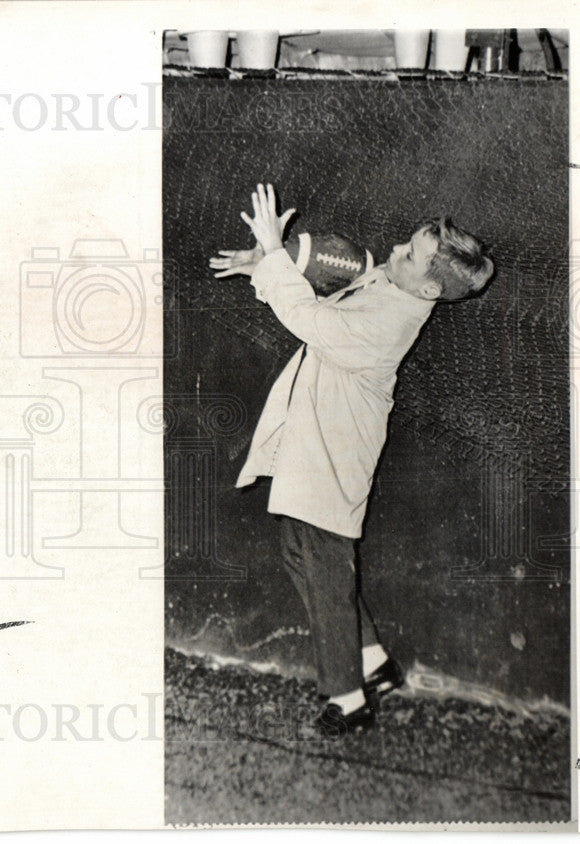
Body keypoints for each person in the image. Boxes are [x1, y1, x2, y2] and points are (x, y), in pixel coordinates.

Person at [209, 183, 494, 737]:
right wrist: (267, 262)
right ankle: (373, 663)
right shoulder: (390, 283)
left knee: (323, 567)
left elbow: (311, 322)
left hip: (334, 452)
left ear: (431, 288)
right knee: (303, 555)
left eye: (410, 255)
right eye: (407, 243)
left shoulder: (392, 322)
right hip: (316, 437)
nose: (395, 251)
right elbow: (336, 272)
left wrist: (273, 253)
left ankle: (348, 697)